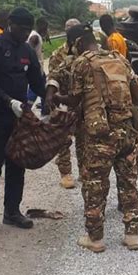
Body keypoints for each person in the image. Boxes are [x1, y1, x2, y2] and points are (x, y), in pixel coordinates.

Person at [53, 26, 138, 252]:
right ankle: (132, 235)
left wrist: (56, 97)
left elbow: (74, 101)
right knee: (128, 183)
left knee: (95, 185)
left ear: (80, 44)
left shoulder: (82, 63)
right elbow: (137, 96)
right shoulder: (120, 60)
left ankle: (95, 239)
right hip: (127, 132)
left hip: (100, 135)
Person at [0, 7, 45, 238]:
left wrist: (51, 97)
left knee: (17, 164)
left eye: (27, 30)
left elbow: (37, 81)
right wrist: (8, 100)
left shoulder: (27, 51)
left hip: (18, 118)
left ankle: (12, 211)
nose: (25, 33)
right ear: (10, 24)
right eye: (21, 29)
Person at [45, 18, 81, 189]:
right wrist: (55, 100)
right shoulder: (58, 54)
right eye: (70, 29)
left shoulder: (85, 51)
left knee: (84, 138)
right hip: (64, 101)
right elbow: (53, 78)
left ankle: (84, 170)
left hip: (82, 102)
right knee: (63, 139)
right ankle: (66, 173)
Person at [27, 17, 49, 109]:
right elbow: (29, 52)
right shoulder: (35, 37)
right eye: (46, 27)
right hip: (36, 69)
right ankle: (26, 109)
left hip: (39, 69)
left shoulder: (36, 35)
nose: (46, 29)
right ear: (42, 26)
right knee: (35, 90)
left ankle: (46, 108)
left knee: (45, 89)